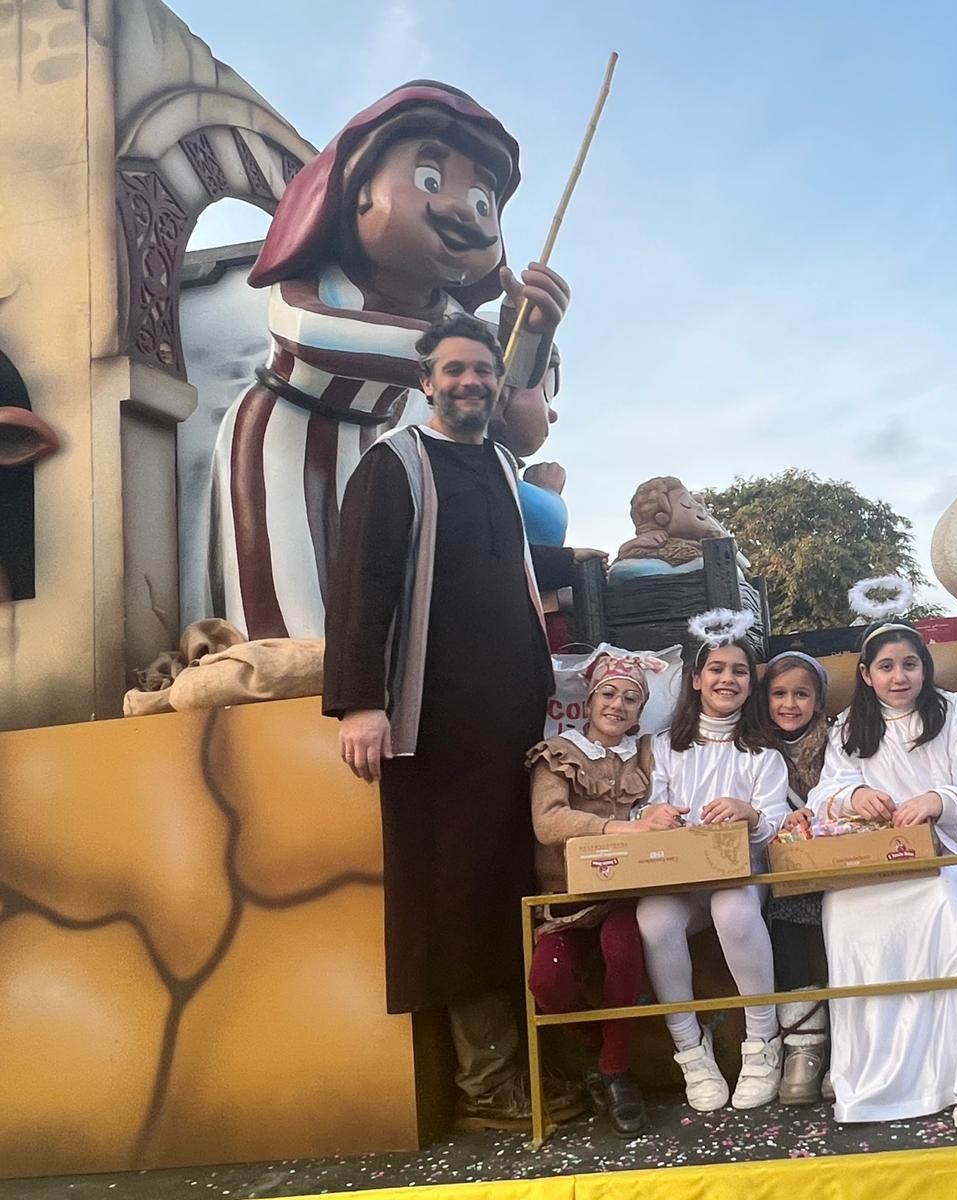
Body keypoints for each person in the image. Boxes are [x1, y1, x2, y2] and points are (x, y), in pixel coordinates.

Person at [323, 314, 600, 1130]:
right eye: (455, 370)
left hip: (509, 726)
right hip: (432, 729)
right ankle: (487, 1087)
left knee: (514, 893)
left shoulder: (500, 464)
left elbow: (491, 565)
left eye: (483, 369)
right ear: (426, 382)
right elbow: (361, 587)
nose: (470, 382)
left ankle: (534, 1065)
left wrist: (587, 563)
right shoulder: (394, 463)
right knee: (457, 899)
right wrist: (360, 702)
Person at [216, 80, 570, 638]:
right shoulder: (315, 286)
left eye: (484, 201)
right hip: (284, 436)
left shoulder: (453, 319)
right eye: (430, 179)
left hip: (385, 453)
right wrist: (473, 360)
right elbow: (313, 336)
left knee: (389, 607)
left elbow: (517, 429)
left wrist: (531, 339)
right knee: (294, 613)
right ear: (356, 189)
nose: (464, 210)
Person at [809, 587, 957, 1129]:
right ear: (866, 674)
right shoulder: (846, 729)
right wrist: (854, 796)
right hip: (875, 863)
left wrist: (939, 800)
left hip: (947, 854)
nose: (899, 676)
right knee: (847, 916)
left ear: (925, 668)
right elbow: (824, 793)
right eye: (886, 666)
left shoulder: (953, 714)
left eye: (910, 664)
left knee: (948, 910)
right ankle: (870, 1074)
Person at [633, 614, 791, 1112]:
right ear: (696, 679)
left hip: (740, 873)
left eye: (740, 671)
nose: (727, 679)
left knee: (733, 909)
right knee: (653, 919)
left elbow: (778, 827)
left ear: (751, 685)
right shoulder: (663, 747)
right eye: (716, 668)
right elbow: (642, 810)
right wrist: (652, 816)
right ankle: (689, 1046)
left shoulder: (763, 753)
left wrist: (750, 813)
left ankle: (763, 1041)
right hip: (678, 876)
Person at [527, 653, 665, 1136]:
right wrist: (617, 827)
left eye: (631, 698)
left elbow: (663, 802)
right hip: (565, 897)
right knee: (547, 981)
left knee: (623, 949)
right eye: (608, 693)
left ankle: (613, 1071)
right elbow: (547, 823)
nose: (618, 704)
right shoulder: (557, 752)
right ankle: (600, 1054)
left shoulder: (648, 754)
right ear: (588, 701)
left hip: (625, 892)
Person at [757, 650, 836, 1104]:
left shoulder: (838, 739)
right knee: (782, 910)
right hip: (779, 865)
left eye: (802, 695)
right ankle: (803, 1040)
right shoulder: (753, 747)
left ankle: (847, 1040)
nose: (790, 705)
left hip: (834, 856)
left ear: (818, 701)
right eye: (780, 694)